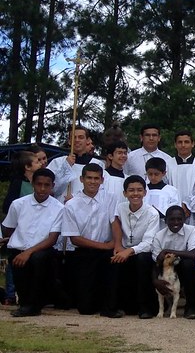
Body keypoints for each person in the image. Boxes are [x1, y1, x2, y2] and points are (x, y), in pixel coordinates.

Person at [62, 163, 120, 317]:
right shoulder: (71, 205)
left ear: (102, 180)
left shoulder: (110, 198)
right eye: (89, 178)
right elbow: (74, 238)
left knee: (113, 267)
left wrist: (117, 244)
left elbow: (114, 222)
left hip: (106, 251)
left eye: (96, 178)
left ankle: (110, 307)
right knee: (86, 309)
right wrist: (102, 246)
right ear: (82, 179)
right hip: (84, 252)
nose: (92, 182)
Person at [4, 168, 63, 317]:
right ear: (32, 184)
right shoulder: (18, 204)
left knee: (37, 259)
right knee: (17, 260)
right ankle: (25, 303)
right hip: (20, 248)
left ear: (52, 185)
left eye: (46, 185)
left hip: (44, 251)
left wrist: (28, 252)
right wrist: (21, 249)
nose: (42, 189)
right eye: (39, 184)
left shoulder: (59, 208)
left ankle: (34, 305)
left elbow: (52, 238)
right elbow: (9, 229)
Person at [111, 176, 161, 318]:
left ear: (145, 193)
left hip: (143, 252)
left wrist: (129, 251)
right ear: (125, 193)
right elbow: (115, 223)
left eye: (139, 190)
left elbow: (148, 243)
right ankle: (114, 307)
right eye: (131, 190)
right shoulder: (120, 208)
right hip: (124, 248)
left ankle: (145, 308)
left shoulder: (152, 213)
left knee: (142, 260)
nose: (135, 194)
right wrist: (119, 246)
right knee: (113, 260)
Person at [150, 205, 195, 317]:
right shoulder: (159, 236)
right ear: (165, 220)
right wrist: (155, 281)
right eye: (172, 219)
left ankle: (191, 307)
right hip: (166, 270)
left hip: (184, 269)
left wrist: (167, 251)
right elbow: (156, 262)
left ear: (184, 219)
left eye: (179, 219)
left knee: (188, 264)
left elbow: (193, 254)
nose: (176, 222)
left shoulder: (190, 230)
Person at [165, 130, 195, 223]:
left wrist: (187, 205)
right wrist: (177, 207)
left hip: (194, 212)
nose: (183, 145)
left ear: (192, 144)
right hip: (173, 210)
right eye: (180, 142)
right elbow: (165, 187)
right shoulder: (167, 164)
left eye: (186, 142)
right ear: (175, 144)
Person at [51, 125, 104, 199]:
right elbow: (52, 188)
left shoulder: (98, 164)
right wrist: (66, 166)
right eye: (73, 137)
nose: (77, 140)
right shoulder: (57, 162)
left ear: (88, 140)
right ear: (69, 141)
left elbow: (101, 190)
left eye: (81, 137)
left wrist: (75, 200)